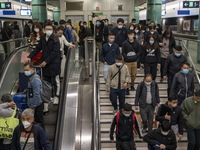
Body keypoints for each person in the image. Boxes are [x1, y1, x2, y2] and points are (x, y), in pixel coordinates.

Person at [25, 22, 61, 107]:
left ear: (52, 30)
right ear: (44, 30)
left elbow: (55, 53)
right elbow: (38, 48)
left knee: (55, 80)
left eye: (50, 29)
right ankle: (48, 96)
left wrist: (46, 61)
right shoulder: (42, 38)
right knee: (46, 81)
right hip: (45, 63)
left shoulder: (55, 38)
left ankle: (56, 96)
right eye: (47, 29)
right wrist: (30, 56)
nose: (49, 31)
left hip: (53, 63)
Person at [122, 30, 141, 94]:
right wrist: (126, 57)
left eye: (132, 34)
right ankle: (127, 87)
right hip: (127, 62)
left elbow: (139, 51)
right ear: (128, 35)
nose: (131, 35)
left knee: (134, 74)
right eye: (130, 34)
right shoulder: (125, 43)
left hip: (134, 61)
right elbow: (123, 52)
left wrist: (136, 56)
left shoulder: (137, 43)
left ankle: (132, 85)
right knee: (127, 75)